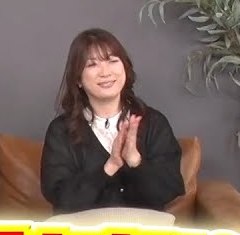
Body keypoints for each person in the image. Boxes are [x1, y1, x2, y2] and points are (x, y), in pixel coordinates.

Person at [40, 28, 185, 214]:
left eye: (112, 60)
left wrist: (135, 162)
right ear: (78, 79)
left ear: (124, 67)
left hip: (142, 231)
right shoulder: (61, 130)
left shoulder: (154, 123)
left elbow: (169, 189)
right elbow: (61, 198)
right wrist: (109, 167)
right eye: (92, 64)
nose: (105, 72)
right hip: (84, 231)